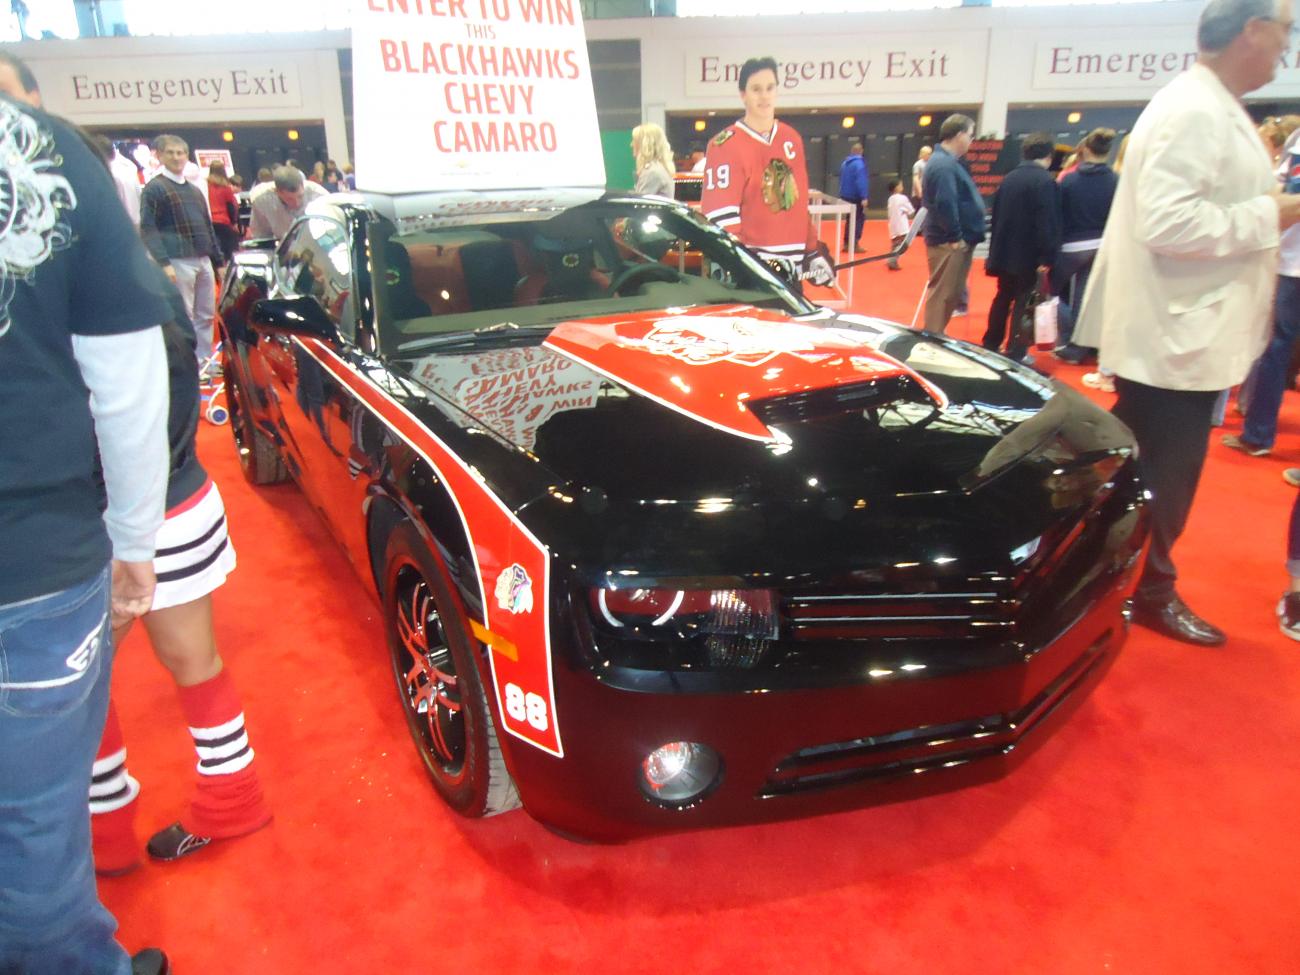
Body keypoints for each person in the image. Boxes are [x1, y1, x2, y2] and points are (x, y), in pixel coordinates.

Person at [0, 62, 173, 975]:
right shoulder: (46, 152)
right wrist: (136, 541)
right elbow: (127, 376)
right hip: (32, 557)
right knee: (34, 815)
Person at [1076, 0, 1300, 647]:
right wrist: (1273, 212)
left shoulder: (1209, 105)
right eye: (1285, 31)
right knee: (1164, 478)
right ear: (1252, 31)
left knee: (1148, 470)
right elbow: (1170, 223)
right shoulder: (1194, 110)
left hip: (1181, 332)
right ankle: (1149, 588)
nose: (1287, 47)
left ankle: (1127, 580)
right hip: (1173, 338)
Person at [90, 262, 271, 874]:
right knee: (195, 661)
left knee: (77, 684)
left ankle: (104, 831)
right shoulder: (144, 278)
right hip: (181, 500)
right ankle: (231, 796)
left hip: (104, 518)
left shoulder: (56, 298)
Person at [700, 55, 834, 290]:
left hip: (791, 274)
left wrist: (813, 252)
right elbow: (719, 220)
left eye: (770, 88)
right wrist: (748, 268)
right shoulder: (725, 145)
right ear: (743, 94)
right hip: (750, 279)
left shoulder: (791, 138)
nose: (764, 96)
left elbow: (798, 204)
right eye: (756, 89)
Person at [140, 133, 223, 371]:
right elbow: (148, 228)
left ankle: (204, 360)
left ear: (187, 156)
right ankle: (186, 363)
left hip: (203, 258)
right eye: (171, 153)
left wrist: (218, 261)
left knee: (206, 314)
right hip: (177, 261)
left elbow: (207, 226)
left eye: (181, 153)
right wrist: (164, 263)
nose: (176, 157)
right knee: (183, 316)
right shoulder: (154, 189)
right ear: (160, 156)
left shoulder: (195, 190)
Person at [982, 131, 1062, 365]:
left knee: (1002, 296)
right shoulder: (1045, 181)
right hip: (1029, 253)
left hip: (1004, 250)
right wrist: (1047, 256)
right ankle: (1016, 350)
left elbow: (996, 216)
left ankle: (991, 342)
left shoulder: (1009, 178)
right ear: (1049, 155)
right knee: (1023, 301)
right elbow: (1047, 221)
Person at [1053, 127, 1119, 364]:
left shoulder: (1069, 180)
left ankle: (1067, 338)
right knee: (1085, 297)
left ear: (1084, 149)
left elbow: (1058, 214)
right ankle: (1080, 345)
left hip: (1071, 245)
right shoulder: (1116, 180)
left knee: (1050, 293)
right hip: (1102, 244)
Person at [920, 114, 985, 334]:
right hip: (948, 241)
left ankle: (935, 336)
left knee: (949, 294)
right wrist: (955, 236)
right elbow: (945, 202)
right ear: (959, 135)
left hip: (950, 239)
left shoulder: (946, 162)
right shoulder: (943, 164)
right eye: (970, 135)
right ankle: (932, 339)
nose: (971, 140)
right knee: (943, 295)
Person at [248, 163, 329, 242]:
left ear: (303, 186)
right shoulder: (262, 201)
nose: (296, 203)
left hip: (318, 242)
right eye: (289, 199)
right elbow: (261, 236)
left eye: (300, 196)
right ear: (277, 192)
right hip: (283, 244)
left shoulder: (320, 196)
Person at [207, 159, 241, 267]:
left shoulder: (206, 185)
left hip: (209, 221)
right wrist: (234, 223)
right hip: (224, 221)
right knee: (230, 249)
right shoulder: (226, 187)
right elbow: (231, 207)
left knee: (215, 248)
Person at [838, 142, 869, 252]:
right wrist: (864, 197)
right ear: (861, 151)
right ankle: (854, 243)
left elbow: (841, 179)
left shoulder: (845, 163)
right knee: (858, 220)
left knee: (849, 220)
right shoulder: (860, 164)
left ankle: (847, 243)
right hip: (856, 197)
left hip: (845, 195)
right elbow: (861, 181)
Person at [632, 121, 675, 198]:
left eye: (635, 141)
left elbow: (640, 203)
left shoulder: (652, 172)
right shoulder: (659, 168)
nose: (631, 144)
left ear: (644, 144)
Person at [886, 178, 915, 270]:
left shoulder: (890, 199)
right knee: (902, 244)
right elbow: (911, 211)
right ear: (897, 187)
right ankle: (892, 260)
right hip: (902, 226)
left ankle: (890, 258)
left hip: (893, 225)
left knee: (895, 243)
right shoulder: (903, 198)